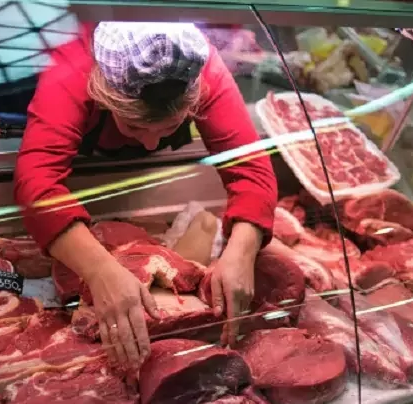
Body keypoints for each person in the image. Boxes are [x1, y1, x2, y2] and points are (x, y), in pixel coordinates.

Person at [14, 22, 277, 370]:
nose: (152, 144)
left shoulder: (201, 68)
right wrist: (98, 270)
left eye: (170, 128)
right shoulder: (72, 67)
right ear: (102, 95)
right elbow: (37, 181)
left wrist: (241, 251)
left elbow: (251, 170)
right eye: (134, 126)